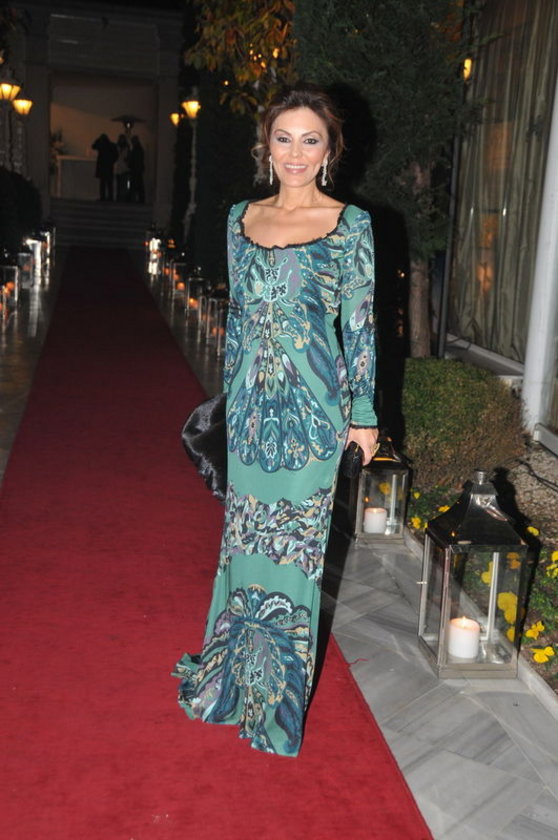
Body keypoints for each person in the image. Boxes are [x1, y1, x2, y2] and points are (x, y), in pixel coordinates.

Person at [173, 83, 379, 757]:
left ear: (329, 150)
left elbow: (360, 325)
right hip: (252, 411)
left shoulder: (350, 224)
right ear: (266, 145)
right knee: (241, 546)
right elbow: (238, 321)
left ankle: (275, 710)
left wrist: (363, 414)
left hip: (313, 415)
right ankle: (231, 681)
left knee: (294, 557)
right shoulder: (241, 217)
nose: (295, 152)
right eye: (283, 138)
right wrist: (227, 402)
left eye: (309, 140)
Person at [91, 133, 117, 201]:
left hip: (103, 166)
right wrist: (112, 161)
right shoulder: (111, 145)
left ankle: (104, 197)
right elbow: (116, 155)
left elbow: (93, 146)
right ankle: (110, 197)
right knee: (108, 183)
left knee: (103, 183)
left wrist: (97, 140)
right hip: (108, 166)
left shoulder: (101, 145)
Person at [127, 135, 145, 203]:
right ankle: (138, 199)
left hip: (136, 169)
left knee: (136, 185)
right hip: (137, 169)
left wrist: (131, 164)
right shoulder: (138, 149)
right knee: (138, 185)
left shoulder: (136, 149)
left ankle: (135, 199)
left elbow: (136, 160)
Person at [114, 134, 130, 201]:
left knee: (124, 184)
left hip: (124, 168)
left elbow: (128, 157)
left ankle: (124, 197)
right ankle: (119, 196)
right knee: (119, 184)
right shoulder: (117, 147)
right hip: (118, 168)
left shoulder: (127, 148)